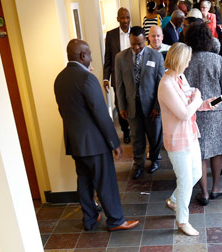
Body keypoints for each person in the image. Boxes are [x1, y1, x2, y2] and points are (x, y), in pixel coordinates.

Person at [54, 40, 139, 232]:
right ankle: (116, 220)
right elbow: (100, 113)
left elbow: (62, 111)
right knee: (105, 181)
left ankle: (90, 219)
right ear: (82, 56)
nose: (92, 58)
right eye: (90, 53)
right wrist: (113, 142)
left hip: (75, 142)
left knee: (84, 181)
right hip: (94, 143)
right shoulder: (87, 78)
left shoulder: (59, 79)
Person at [158, 43, 217, 236]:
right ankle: (182, 221)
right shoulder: (166, 84)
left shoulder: (180, 78)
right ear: (179, 60)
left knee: (197, 174)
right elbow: (184, 113)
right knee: (185, 180)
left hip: (190, 134)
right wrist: (197, 98)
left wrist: (203, 103)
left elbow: (189, 102)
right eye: (188, 59)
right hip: (177, 140)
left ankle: (175, 200)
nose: (190, 62)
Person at [184, 21, 222, 206]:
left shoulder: (187, 60)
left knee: (201, 153)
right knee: (216, 151)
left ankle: (203, 193)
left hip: (195, 112)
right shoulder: (216, 59)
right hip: (216, 111)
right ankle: (216, 188)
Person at [114, 26, 165, 179]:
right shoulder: (120, 58)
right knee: (137, 138)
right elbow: (119, 85)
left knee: (155, 136)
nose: (136, 48)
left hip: (151, 107)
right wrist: (122, 106)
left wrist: (157, 106)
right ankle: (138, 165)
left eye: (140, 44)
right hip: (132, 106)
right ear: (129, 41)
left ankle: (155, 159)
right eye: (133, 44)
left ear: (145, 40)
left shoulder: (156, 57)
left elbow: (161, 84)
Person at [103, 8, 132, 143]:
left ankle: (136, 129)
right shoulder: (111, 35)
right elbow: (108, 57)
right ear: (118, 19)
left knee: (134, 104)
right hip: (118, 78)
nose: (125, 21)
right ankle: (126, 131)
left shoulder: (136, 32)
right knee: (120, 105)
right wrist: (105, 78)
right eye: (122, 18)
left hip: (134, 77)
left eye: (127, 17)